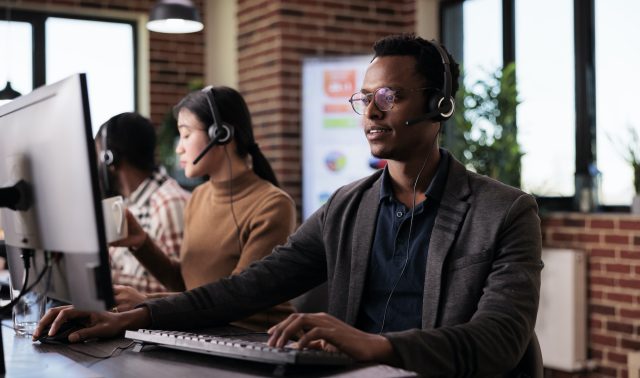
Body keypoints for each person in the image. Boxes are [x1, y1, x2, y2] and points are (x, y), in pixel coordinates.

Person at [35, 34, 542, 377]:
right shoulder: (347, 208)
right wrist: (133, 318)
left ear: (439, 106)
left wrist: (376, 346)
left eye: (388, 95)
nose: (369, 112)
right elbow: (242, 289)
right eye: (363, 97)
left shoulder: (505, 212)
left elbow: (498, 342)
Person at [105, 87, 297, 330]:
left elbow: (238, 297)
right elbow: (186, 283)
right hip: (207, 334)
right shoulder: (198, 197)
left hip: (257, 339)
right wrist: (141, 243)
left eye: (185, 135)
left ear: (221, 134)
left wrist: (147, 303)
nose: (178, 148)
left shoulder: (273, 205)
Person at [96, 112, 190, 295]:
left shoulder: (169, 203)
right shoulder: (128, 204)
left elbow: (183, 290)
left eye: (97, 156)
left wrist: (107, 280)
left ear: (110, 158)